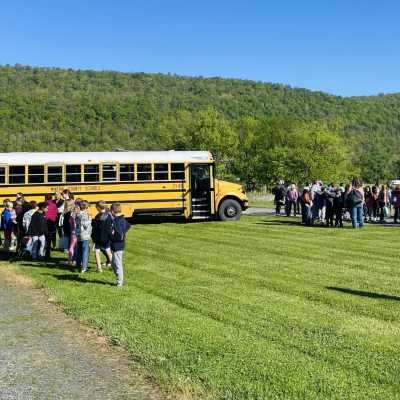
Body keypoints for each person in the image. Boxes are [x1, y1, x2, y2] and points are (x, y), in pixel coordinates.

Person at [110, 203, 131, 287]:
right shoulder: (122, 218)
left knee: (118, 263)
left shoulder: (117, 221)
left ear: (112, 211)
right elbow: (128, 226)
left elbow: (118, 235)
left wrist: (112, 235)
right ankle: (120, 279)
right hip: (118, 244)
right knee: (113, 263)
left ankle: (120, 282)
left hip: (117, 245)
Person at [91, 201, 113, 273]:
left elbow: (95, 227)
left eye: (96, 207)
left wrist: (93, 237)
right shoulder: (109, 216)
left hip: (98, 238)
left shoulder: (98, 216)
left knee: (97, 252)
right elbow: (110, 227)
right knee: (108, 252)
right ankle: (114, 266)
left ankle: (99, 268)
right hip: (106, 238)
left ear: (99, 208)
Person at [75, 201, 92, 273]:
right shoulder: (84, 215)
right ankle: (84, 267)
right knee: (85, 251)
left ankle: (78, 265)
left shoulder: (77, 214)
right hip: (85, 235)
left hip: (78, 234)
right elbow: (85, 225)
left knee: (79, 250)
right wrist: (90, 219)